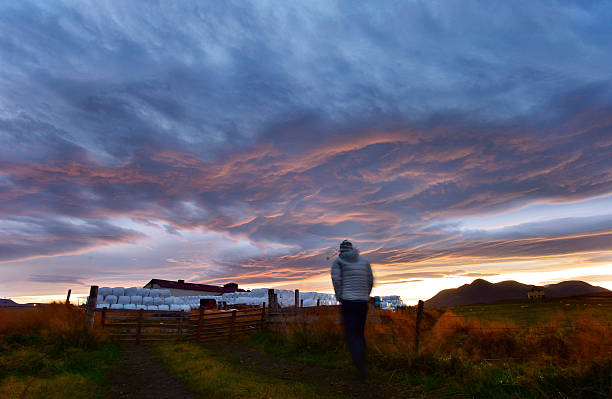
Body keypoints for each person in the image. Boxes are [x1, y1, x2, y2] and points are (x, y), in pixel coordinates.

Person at [331, 240, 374, 379]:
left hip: (348, 302)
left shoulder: (338, 262)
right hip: (362, 302)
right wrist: (365, 295)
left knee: (351, 334)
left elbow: (336, 281)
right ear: (352, 249)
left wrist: (339, 297)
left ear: (341, 250)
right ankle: (363, 364)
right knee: (360, 334)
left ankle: (359, 367)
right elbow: (370, 280)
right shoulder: (364, 261)